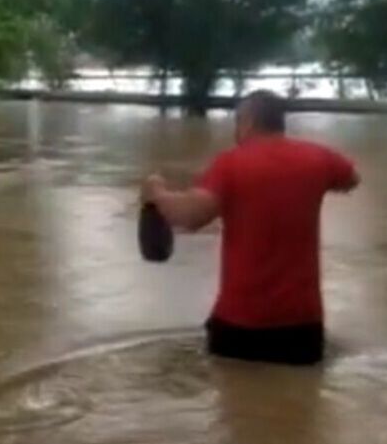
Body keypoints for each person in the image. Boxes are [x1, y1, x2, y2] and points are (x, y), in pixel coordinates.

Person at [142, 90, 358, 365]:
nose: (236, 132)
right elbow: (352, 178)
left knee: (229, 389)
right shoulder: (319, 158)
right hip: (304, 327)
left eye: (237, 123)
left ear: (249, 121)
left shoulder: (230, 163)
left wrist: (157, 194)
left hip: (242, 324)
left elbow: (192, 216)